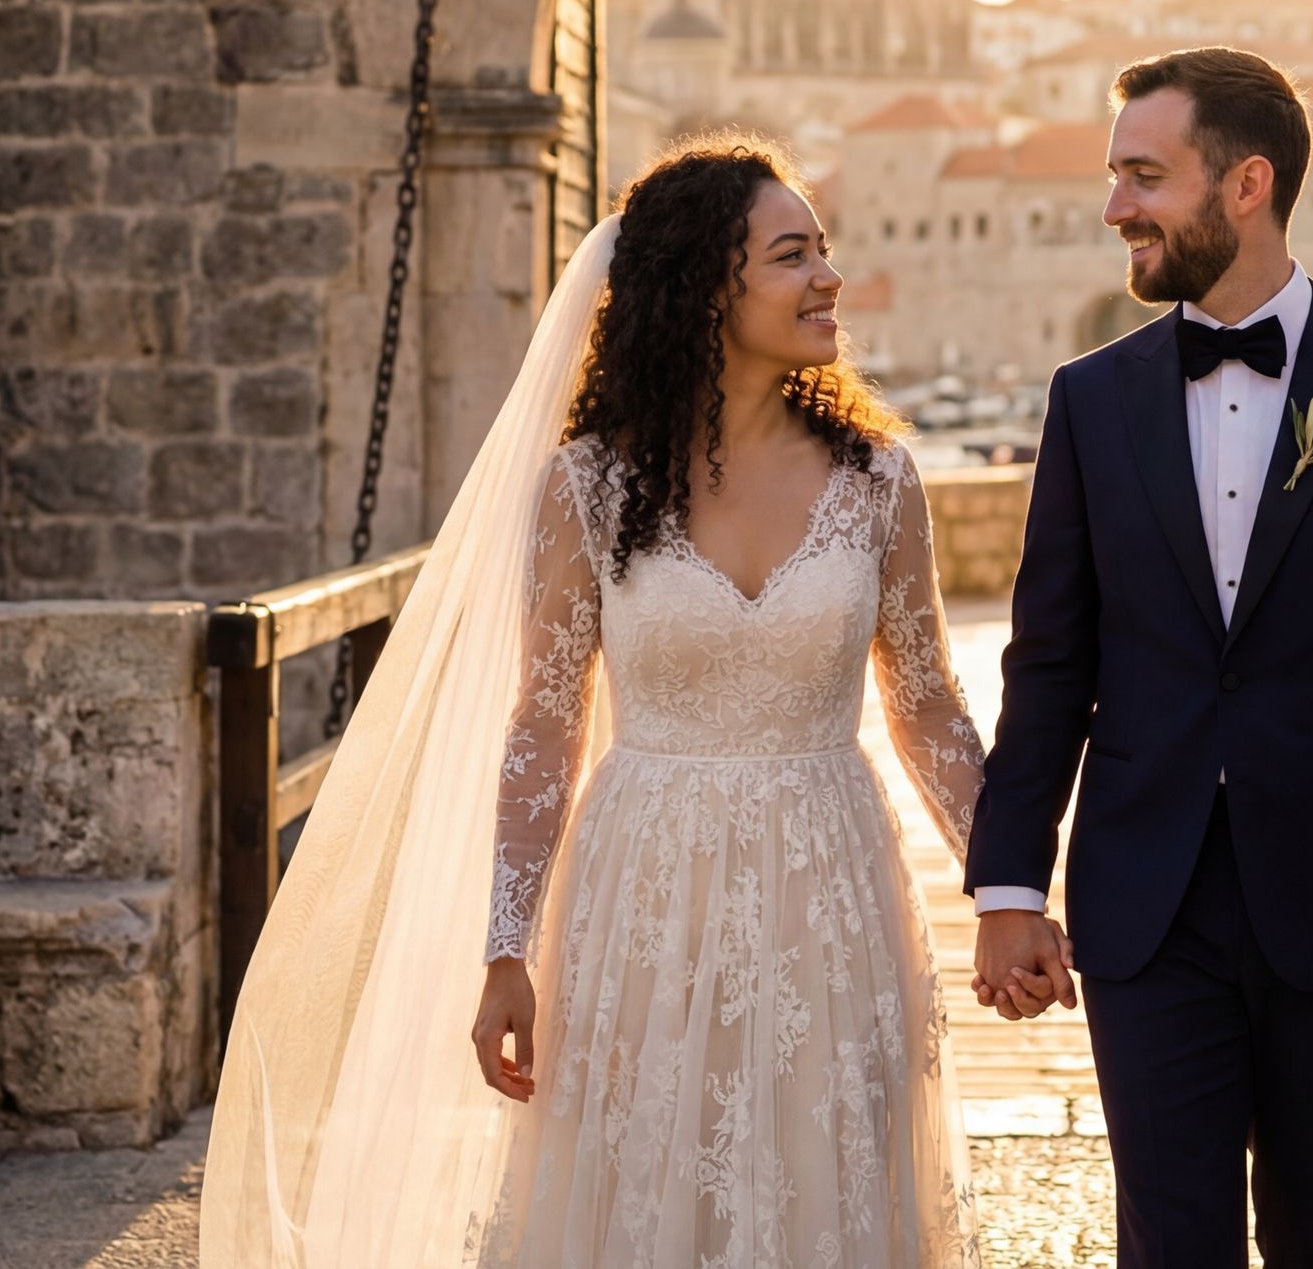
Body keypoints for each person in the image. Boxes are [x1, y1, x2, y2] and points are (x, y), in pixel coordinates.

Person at [201, 136, 985, 1268]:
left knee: (826, 1189)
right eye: (791, 255)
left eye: (825, 251)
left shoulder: (879, 482)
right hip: (642, 897)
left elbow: (931, 712)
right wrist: (506, 951)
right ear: (706, 287)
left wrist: (1008, 887)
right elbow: (543, 728)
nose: (829, 279)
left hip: (830, 891)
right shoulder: (587, 488)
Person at [966, 46, 1313, 1269]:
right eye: (1115, 176)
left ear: (1247, 184)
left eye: (1144, 176)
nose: (1116, 207)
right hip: (1143, 911)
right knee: (1168, 1247)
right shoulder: (1088, 401)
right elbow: (1049, 663)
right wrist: (1010, 888)